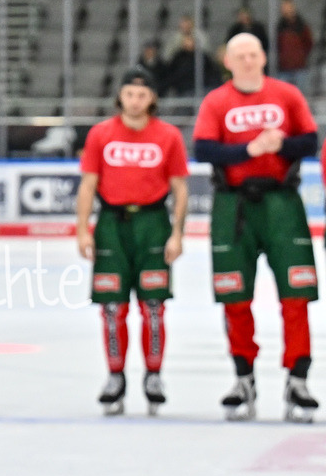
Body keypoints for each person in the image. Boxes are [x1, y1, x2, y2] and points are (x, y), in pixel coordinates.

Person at [193, 33, 319, 422]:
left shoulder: (287, 95)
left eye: (253, 54)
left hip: (282, 203)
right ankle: (243, 376)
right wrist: (249, 150)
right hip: (234, 206)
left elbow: (310, 141)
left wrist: (280, 146)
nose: (248, 61)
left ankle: (297, 378)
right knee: (234, 295)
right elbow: (203, 149)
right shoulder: (216, 101)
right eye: (240, 56)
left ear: (263, 57)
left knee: (296, 294)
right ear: (228, 62)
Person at [75, 66, 189, 416]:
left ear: (152, 98)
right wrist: (83, 229)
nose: (135, 101)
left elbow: (180, 187)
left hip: (153, 223)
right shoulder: (101, 134)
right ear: (120, 96)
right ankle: (115, 376)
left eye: (142, 95)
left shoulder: (168, 135)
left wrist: (177, 233)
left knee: (153, 306)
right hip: (112, 223)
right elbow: (88, 184)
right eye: (129, 94)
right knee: (112, 307)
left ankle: (154, 376)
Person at [276, 0, 314, 95]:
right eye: (283, 8)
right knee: (283, 95)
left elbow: (308, 43)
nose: (286, 10)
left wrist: (300, 55)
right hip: (284, 67)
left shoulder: (302, 26)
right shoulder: (280, 26)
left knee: (301, 95)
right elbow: (278, 45)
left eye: (288, 7)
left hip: (300, 67)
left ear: (293, 8)